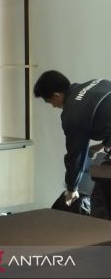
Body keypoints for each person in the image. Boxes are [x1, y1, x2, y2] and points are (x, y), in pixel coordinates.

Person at [34, 70, 111, 219]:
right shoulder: (97, 83)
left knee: (102, 198)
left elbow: (75, 155)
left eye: (50, 102)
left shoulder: (72, 113)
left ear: (57, 95)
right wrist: (103, 145)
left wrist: (71, 188)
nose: (53, 106)